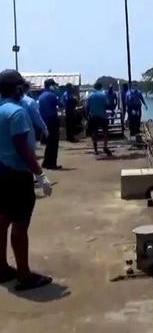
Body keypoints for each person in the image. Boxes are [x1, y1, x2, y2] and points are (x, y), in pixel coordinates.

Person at [0, 69, 53, 291]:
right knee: (20, 224)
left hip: (1, 172)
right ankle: (24, 274)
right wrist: (40, 175)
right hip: (17, 175)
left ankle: (2, 268)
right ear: (17, 88)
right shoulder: (17, 113)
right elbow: (23, 150)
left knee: (2, 220)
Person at [38, 78, 62, 170]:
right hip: (52, 120)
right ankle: (52, 164)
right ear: (51, 85)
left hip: (44, 121)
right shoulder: (52, 95)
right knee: (54, 143)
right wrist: (58, 94)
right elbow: (60, 104)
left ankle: (46, 162)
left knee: (49, 143)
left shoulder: (41, 96)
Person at [86, 83, 112, 156]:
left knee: (94, 133)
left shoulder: (90, 95)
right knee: (105, 132)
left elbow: (87, 106)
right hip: (102, 116)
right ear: (101, 87)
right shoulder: (103, 95)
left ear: (94, 87)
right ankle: (105, 147)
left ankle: (95, 150)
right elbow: (107, 104)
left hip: (93, 116)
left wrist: (88, 116)